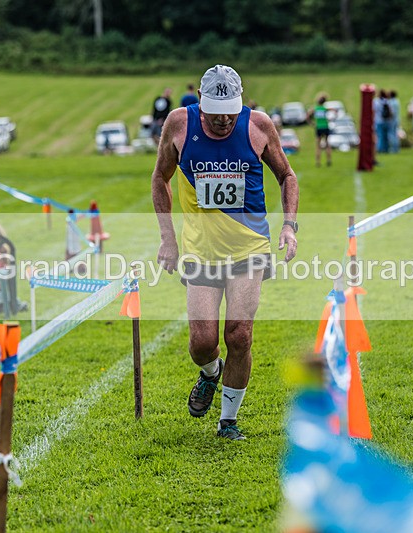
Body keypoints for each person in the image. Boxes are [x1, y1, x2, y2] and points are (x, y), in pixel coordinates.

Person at [151, 64, 299, 441]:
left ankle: (228, 421)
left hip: (250, 248)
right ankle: (210, 373)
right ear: (201, 104)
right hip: (201, 252)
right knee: (202, 343)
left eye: (229, 116)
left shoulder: (259, 126)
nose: (222, 123)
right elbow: (160, 179)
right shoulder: (179, 125)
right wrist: (168, 239)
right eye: (215, 117)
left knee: (240, 335)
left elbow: (287, 176)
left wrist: (289, 225)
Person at [307, 93, 332, 167]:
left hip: (318, 127)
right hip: (325, 127)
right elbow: (334, 111)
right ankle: (329, 160)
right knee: (327, 144)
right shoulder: (325, 108)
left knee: (318, 146)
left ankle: (318, 162)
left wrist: (312, 123)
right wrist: (332, 119)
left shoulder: (315, 108)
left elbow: (307, 116)